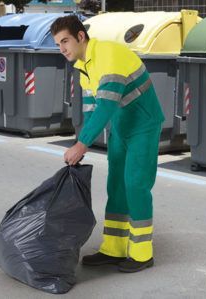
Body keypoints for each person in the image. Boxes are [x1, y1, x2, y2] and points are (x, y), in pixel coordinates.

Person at [50, 15, 165, 273]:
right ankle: (114, 248)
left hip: (143, 125)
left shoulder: (107, 54)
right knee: (116, 185)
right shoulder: (84, 67)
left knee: (135, 185)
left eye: (65, 41)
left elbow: (106, 106)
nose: (62, 49)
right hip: (122, 126)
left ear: (81, 36)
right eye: (58, 44)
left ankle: (142, 253)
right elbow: (92, 110)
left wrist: (81, 145)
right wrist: (83, 141)